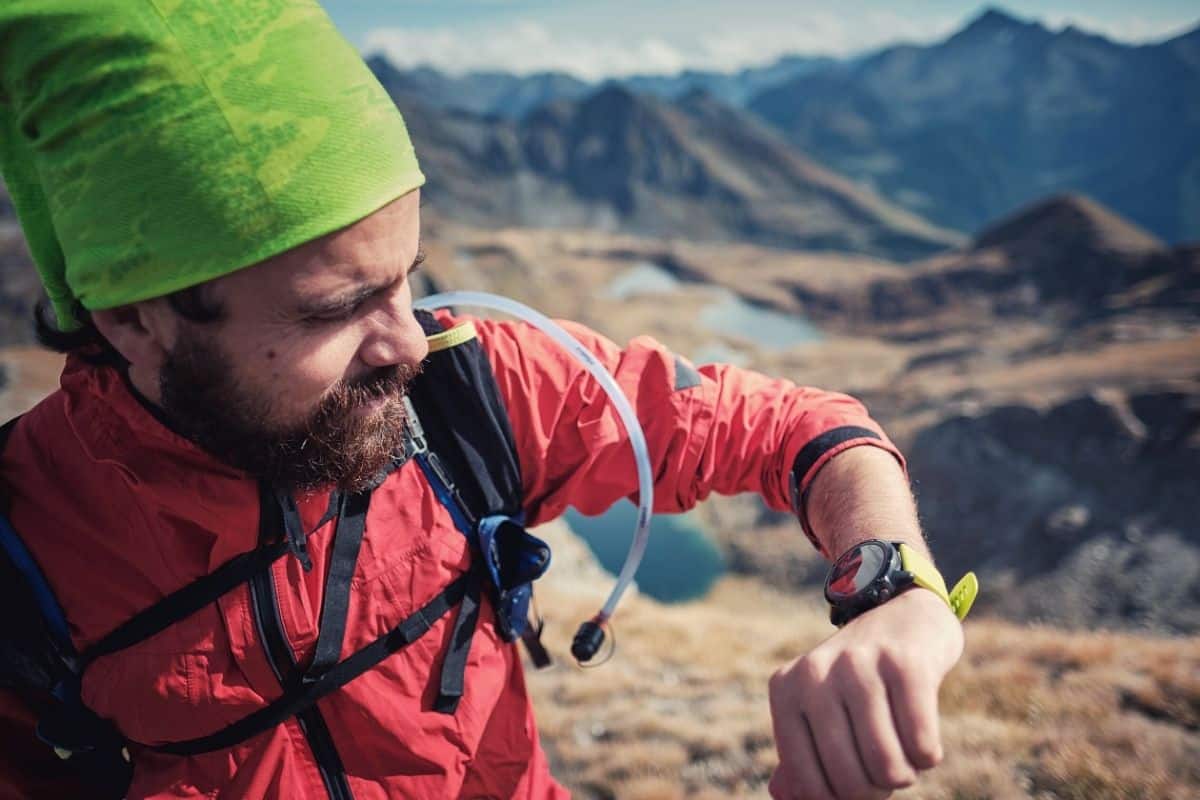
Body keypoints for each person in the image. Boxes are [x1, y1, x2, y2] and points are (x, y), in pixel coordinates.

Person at [0, 2, 967, 798]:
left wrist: (892, 590)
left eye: (403, 280)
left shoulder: (472, 393)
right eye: (338, 310)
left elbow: (797, 428)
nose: (409, 342)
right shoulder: (25, 557)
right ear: (133, 322)